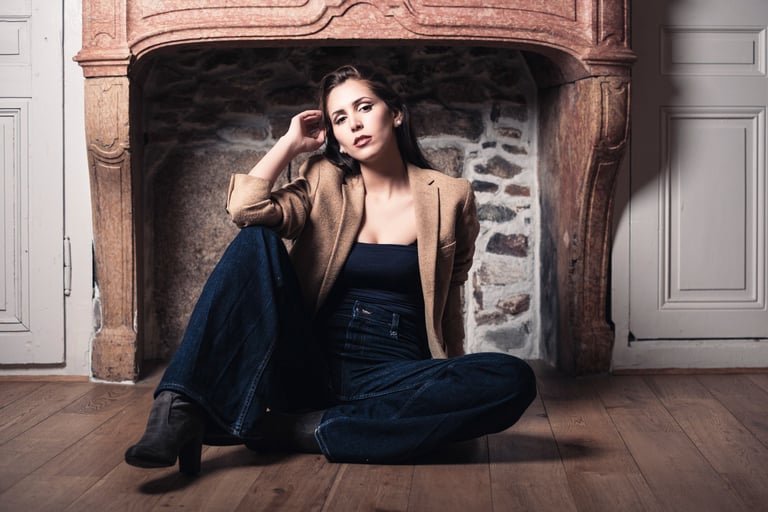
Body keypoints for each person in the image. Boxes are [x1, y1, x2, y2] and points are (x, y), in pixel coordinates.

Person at [125, 64, 536, 474]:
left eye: (364, 107)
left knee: (513, 378)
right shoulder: (324, 180)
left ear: (395, 113)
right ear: (335, 136)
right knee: (256, 239)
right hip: (310, 364)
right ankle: (176, 409)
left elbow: (452, 293)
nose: (354, 123)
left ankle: (302, 429)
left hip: (393, 373)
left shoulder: (451, 195)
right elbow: (245, 209)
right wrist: (289, 144)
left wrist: (452, 378)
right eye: (340, 118)